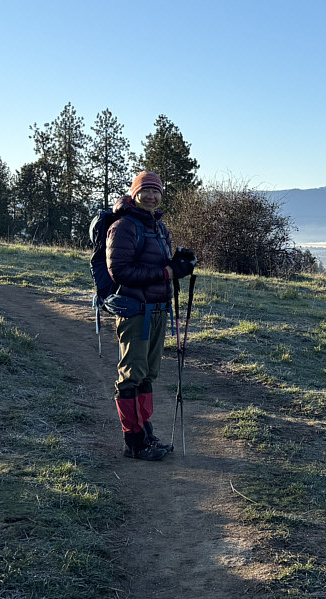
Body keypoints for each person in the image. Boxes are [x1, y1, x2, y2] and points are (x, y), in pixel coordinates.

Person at [106, 171, 196, 460]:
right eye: (145, 191)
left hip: (157, 311)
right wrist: (166, 272)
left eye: (155, 191)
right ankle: (134, 442)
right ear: (134, 193)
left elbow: (160, 264)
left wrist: (179, 263)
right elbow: (119, 271)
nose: (151, 196)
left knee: (147, 375)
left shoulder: (158, 227)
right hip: (135, 312)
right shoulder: (124, 226)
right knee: (131, 375)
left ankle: (145, 433)